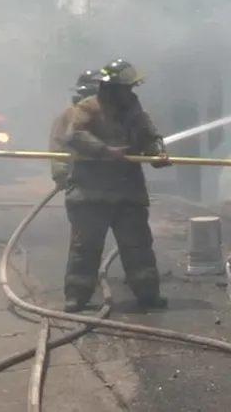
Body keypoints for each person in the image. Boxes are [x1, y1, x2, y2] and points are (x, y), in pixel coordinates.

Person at [60, 59, 172, 313]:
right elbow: (74, 135)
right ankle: (76, 297)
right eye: (125, 88)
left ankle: (148, 294)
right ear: (110, 88)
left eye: (131, 87)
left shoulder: (134, 109)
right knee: (85, 248)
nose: (129, 92)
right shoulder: (88, 108)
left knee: (138, 247)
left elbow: (150, 135)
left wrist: (158, 153)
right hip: (91, 194)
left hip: (127, 193)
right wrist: (105, 151)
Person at [49, 70, 102, 190]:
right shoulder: (69, 115)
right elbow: (57, 145)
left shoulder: (117, 114)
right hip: (81, 180)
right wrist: (60, 173)